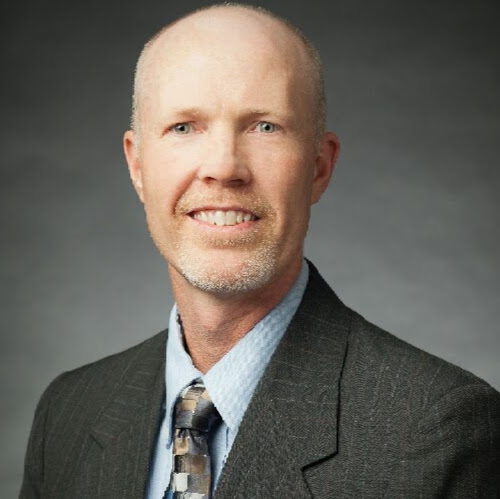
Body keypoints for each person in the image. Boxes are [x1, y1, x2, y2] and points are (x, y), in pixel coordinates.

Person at [20, 4, 500, 499]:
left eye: (265, 126)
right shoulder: (68, 412)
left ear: (319, 168)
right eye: (184, 127)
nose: (224, 167)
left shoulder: (437, 431)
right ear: (138, 166)